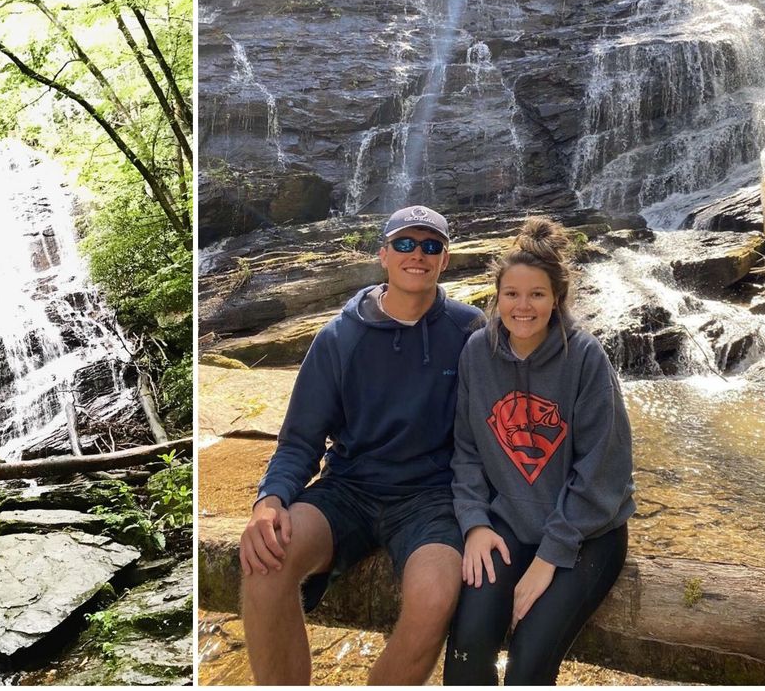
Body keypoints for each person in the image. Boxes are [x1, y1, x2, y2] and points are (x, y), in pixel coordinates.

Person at [239, 206, 484, 685]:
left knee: (435, 595)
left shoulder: (468, 331)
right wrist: (269, 500)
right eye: (406, 245)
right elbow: (300, 440)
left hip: (431, 499)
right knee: (266, 566)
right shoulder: (339, 336)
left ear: (445, 260)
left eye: (431, 246)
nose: (418, 255)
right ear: (384, 255)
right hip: (347, 490)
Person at [443, 217, 636, 685]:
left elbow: (603, 471)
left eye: (537, 294)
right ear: (497, 297)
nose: (522, 306)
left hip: (588, 535)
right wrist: (474, 524)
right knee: (466, 651)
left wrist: (549, 557)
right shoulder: (476, 352)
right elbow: (466, 451)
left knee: (529, 659)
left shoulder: (586, 357)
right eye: (511, 294)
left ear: (557, 299)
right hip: (507, 524)